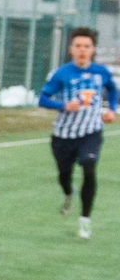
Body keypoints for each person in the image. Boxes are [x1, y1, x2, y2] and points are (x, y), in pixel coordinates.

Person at [37, 26, 118, 240]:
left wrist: (111, 109)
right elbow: (42, 99)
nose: (82, 50)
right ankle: (68, 192)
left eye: (86, 46)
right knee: (64, 175)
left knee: (89, 169)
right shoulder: (61, 73)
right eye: (78, 46)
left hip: (90, 132)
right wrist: (64, 106)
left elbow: (113, 89)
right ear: (71, 49)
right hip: (63, 135)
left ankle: (85, 219)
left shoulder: (101, 72)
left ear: (93, 49)